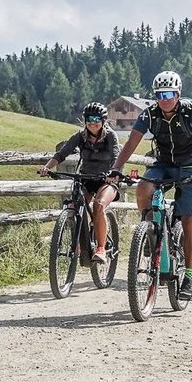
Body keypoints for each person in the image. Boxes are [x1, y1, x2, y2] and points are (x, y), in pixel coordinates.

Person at [109, 70, 192, 302]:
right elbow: (131, 142)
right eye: (159, 94)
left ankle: (188, 275)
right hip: (164, 164)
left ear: (178, 93)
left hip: (191, 166)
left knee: (189, 219)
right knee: (143, 188)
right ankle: (148, 230)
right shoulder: (150, 114)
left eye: (169, 93)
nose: (164, 98)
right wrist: (117, 168)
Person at [40, 102, 122, 263]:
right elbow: (61, 153)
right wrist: (47, 167)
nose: (92, 122)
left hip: (107, 180)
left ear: (103, 120)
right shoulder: (80, 136)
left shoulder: (110, 136)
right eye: (89, 119)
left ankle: (101, 248)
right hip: (86, 178)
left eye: (96, 119)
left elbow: (115, 157)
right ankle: (77, 243)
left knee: (98, 206)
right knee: (73, 205)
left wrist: (113, 173)